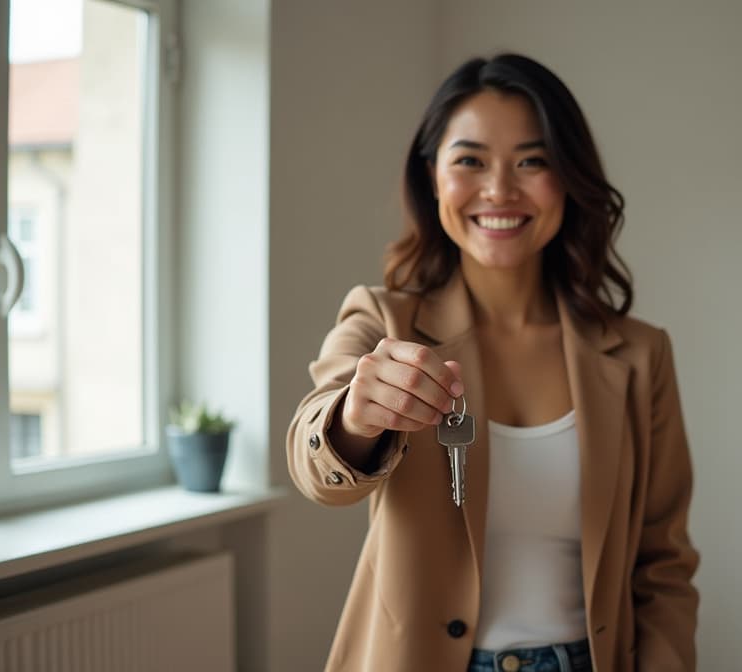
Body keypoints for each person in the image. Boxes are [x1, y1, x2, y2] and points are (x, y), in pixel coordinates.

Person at [287, 53, 699, 672]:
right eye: (470, 161)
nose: (500, 190)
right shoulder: (383, 321)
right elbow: (313, 465)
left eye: (532, 161)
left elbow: (663, 564)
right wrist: (354, 414)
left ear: (568, 177)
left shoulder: (641, 355)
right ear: (432, 176)